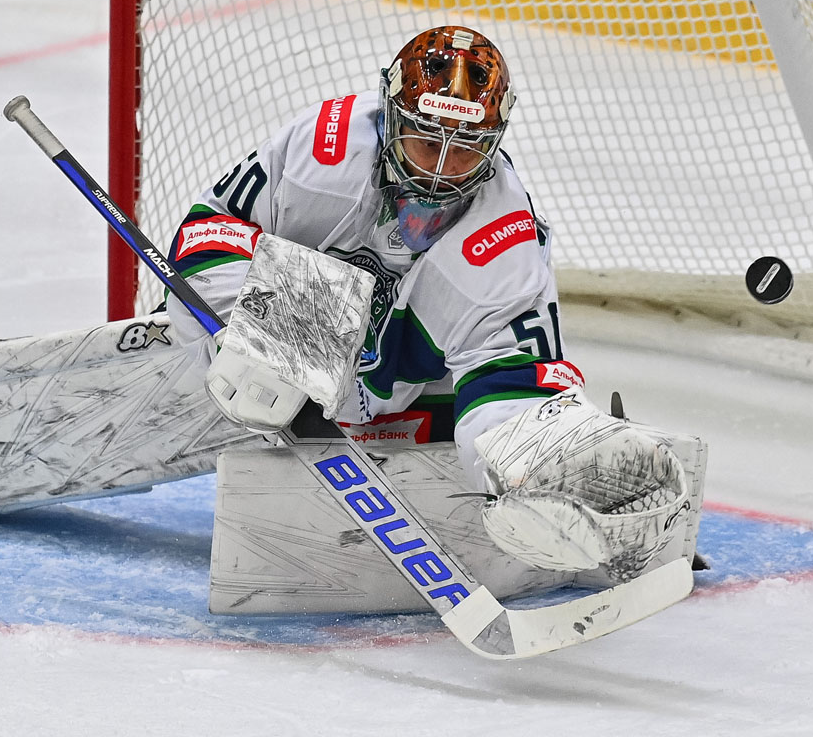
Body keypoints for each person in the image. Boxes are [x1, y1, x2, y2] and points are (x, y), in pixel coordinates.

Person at [164, 25, 585, 492]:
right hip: (263, 372)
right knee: (213, 295)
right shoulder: (321, 152)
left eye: (465, 151)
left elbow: (512, 380)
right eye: (428, 141)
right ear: (390, 116)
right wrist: (255, 329)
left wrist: (538, 466)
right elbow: (207, 232)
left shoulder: (504, 237)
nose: (440, 171)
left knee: (517, 442)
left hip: (414, 397)